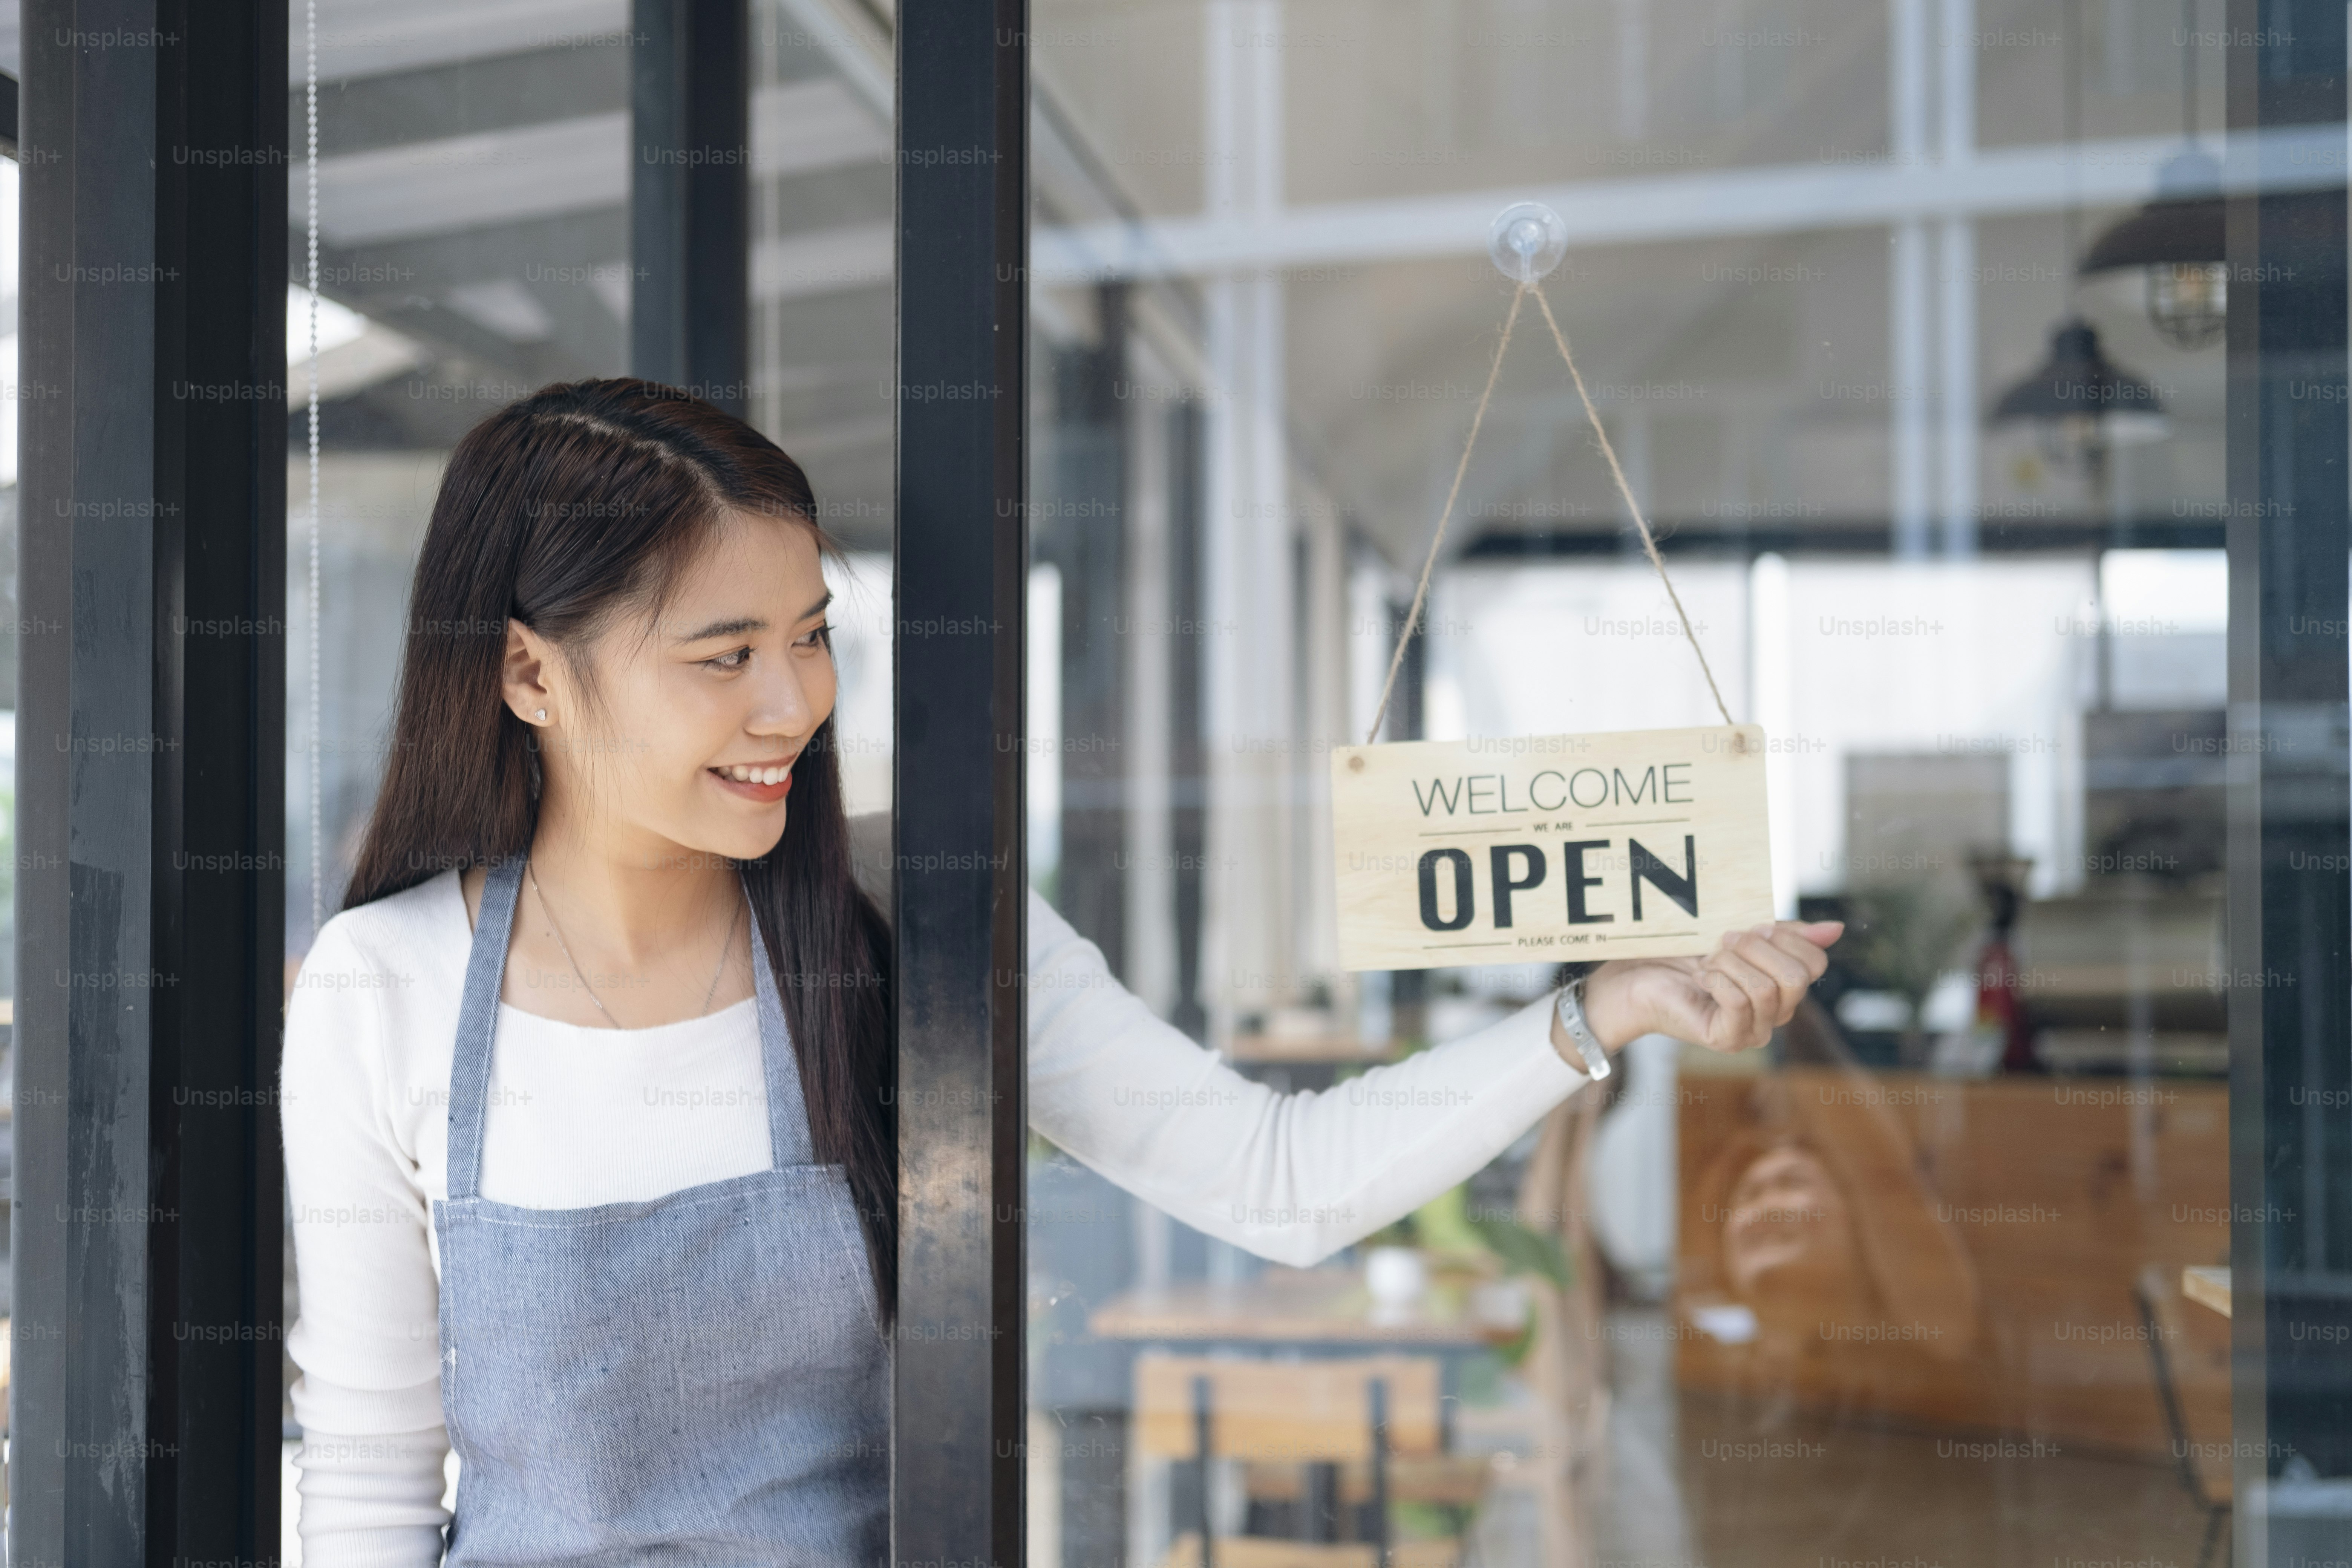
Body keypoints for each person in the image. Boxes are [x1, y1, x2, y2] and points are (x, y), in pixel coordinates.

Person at [280, 377, 1838, 1565]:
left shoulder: (920, 924)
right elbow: (365, 1476)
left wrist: (1598, 1009)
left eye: (812, 636)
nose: (793, 703)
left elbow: (1278, 1175)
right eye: (723, 652)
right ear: (527, 669)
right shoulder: (383, 988)